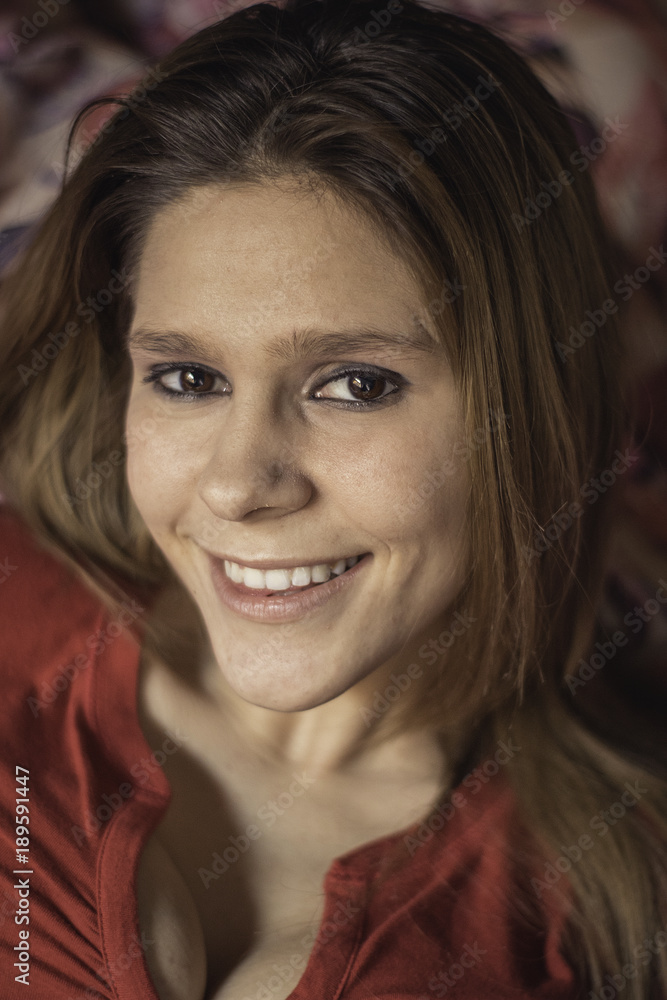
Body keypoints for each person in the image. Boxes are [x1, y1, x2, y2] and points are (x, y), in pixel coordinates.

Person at [0, 0, 665, 997]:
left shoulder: (616, 896)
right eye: (187, 378)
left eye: (354, 384)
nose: (238, 483)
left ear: (528, 406)